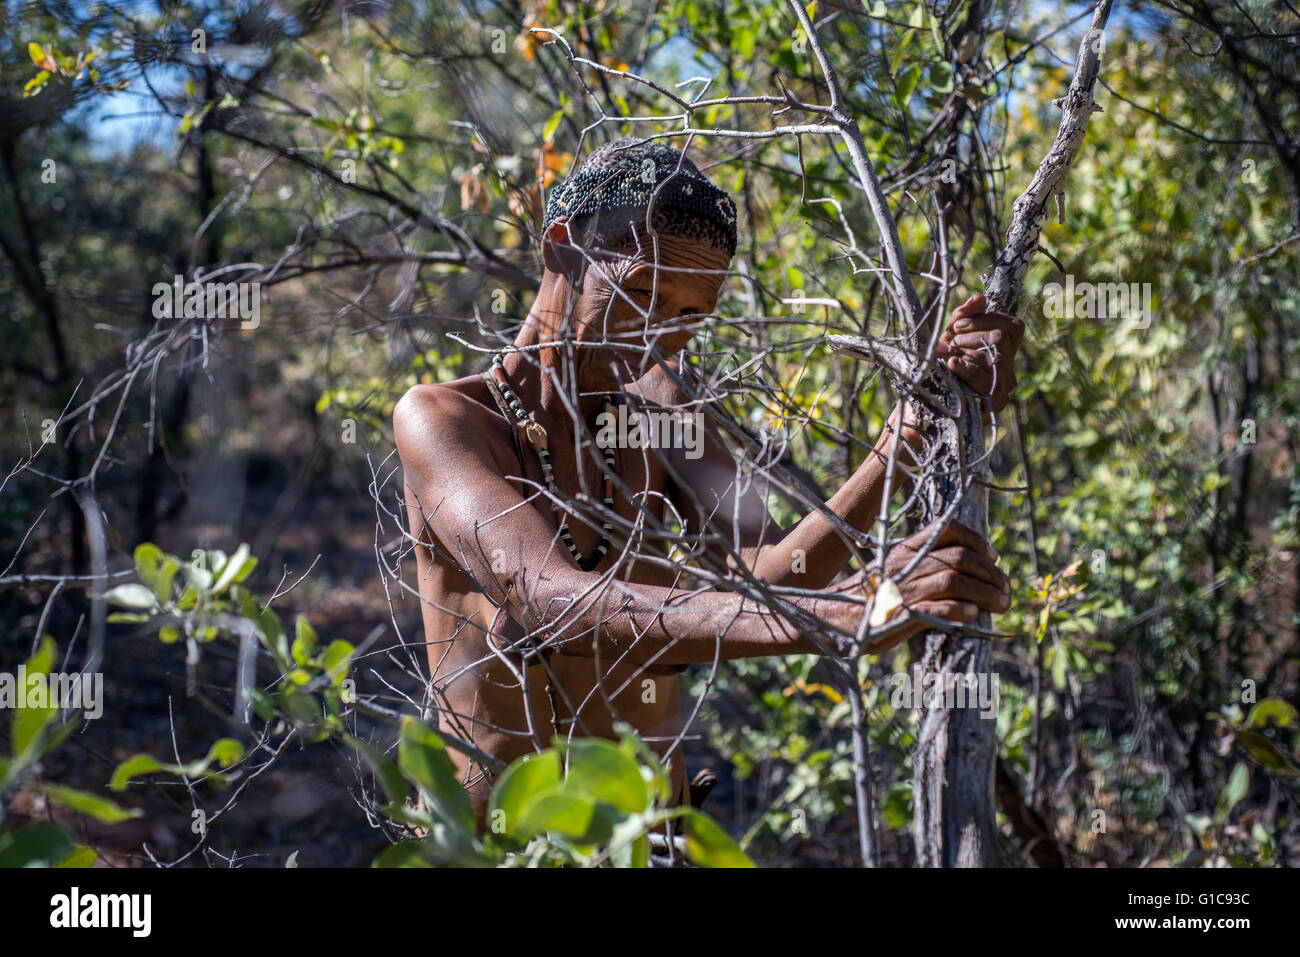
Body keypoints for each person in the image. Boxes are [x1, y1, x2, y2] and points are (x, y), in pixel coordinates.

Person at [393, 138, 1023, 819]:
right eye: (641, 290)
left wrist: (907, 434)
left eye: (692, 314)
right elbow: (550, 599)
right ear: (561, 246)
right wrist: (843, 612)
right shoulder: (443, 420)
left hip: (653, 840)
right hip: (508, 850)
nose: (659, 332)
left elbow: (776, 569)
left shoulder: (662, 407)